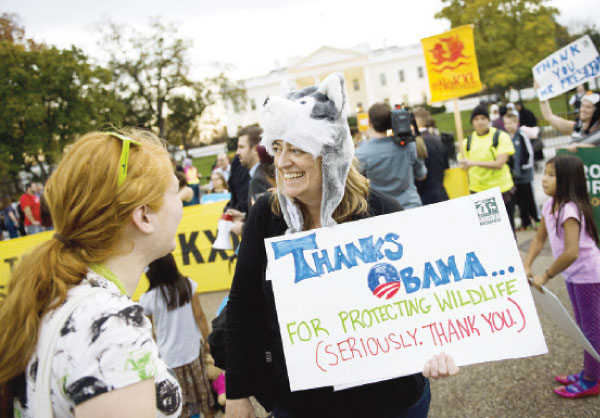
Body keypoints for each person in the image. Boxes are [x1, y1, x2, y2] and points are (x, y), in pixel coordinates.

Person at [226, 73, 458, 418]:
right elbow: (243, 304)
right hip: (303, 401)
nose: (283, 162)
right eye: (278, 148)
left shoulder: (381, 212)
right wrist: (237, 391)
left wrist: (438, 349)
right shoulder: (267, 215)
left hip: (386, 401)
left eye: (298, 149)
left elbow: (419, 303)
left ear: (330, 153)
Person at [0, 130, 183, 417]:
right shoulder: (111, 326)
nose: (181, 203)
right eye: (175, 191)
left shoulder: (56, 292)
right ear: (143, 216)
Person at [523, 154, 600, 399]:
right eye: (544, 173)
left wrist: (545, 275)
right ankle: (590, 371)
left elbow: (571, 252)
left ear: (567, 180)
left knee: (591, 329)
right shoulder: (550, 205)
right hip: (575, 276)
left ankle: (592, 379)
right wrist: (527, 264)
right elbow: (538, 238)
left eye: (551, 175)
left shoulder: (569, 209)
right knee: (584, 327)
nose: (544, 179)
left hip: (588, 276)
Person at [139, 253, 215, 418]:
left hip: (169, 358)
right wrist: (207, 339)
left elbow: (148, 331)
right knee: (204, 397)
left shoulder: (147, 299)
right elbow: (200, 315)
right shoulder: (188, 285)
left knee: (180, 403)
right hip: (193, 350)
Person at [355, 102, 427, 209]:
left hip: (383, 210)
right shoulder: (409, 146)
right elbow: (422, 175)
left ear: (369, 122)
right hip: (411, 206)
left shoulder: (361, 154)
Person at [460, 105, 516, 231]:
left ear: (488, 120)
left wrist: (472, 163)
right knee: (488, 230)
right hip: (479, 192)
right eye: (476, 119)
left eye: (483, 118)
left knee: (507, 229)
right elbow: (464, 167)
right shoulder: (467, 142)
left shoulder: (501, 136)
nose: (479, 122)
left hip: (501, 190)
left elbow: (499, 163)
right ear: (472, 122)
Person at [537, 84, 600, 151]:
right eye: (582, 106)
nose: (583, 110)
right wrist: (541, 94)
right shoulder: (577, 128)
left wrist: (580, 146)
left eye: (588, 107)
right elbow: (549, 117)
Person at [503, 112, 539, 230]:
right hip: (514, 176)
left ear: (516, 123)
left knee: (529, 198)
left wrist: (525, 166)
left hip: (525, 175)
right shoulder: (506, 137)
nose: (508, 126)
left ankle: (537, 218)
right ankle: (526, 222)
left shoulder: (521, 135)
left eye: (511, 123)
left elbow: (529, 152)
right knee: (519, 201)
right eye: (506, 123)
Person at [413, 107, 449, 205]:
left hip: (425, 198)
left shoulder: (416, 143)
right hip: (442, 194)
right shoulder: (438, 141)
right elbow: (446, 166)